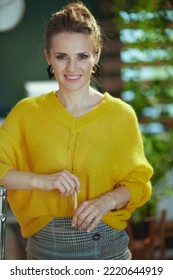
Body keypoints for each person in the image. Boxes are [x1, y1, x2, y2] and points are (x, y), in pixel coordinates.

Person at [0, 1, 153, 260]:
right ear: (49, 57)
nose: (72, 68)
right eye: (62, 57)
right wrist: (43, 181)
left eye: (82, 56)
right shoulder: (27, 113)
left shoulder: (120, 116)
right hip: (44, 254)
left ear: (96, 56)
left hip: (109, 252)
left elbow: (139, 184)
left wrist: (107, 201)